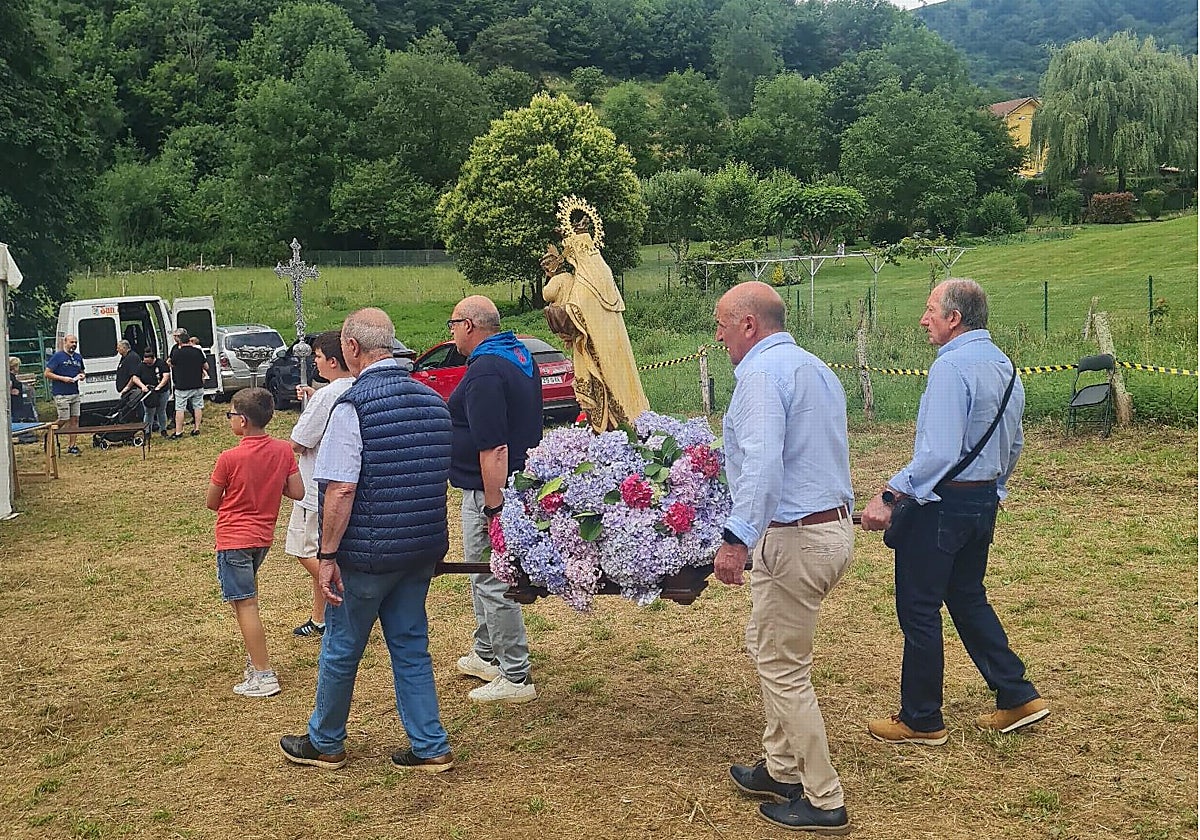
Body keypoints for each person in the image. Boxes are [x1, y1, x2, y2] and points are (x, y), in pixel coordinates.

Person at [860, 278, 1049, 744]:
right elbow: (1014, 442)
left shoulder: (949, 367)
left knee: (919, 608)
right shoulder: (1004, 365)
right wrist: (995, 489)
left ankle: (922, 718)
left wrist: (891, 494)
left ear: (954, 318)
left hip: (942, 503)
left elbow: (938, 453)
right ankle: (1017, 694)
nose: (923, 320)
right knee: (966, 596)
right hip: (982, 501)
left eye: (930, 310)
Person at [280, 307, 454, 772]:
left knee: (341, 646)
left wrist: (327, 554)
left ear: (352, 348)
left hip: (367, 555)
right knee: (411, 645)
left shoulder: (352, 407)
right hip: (420, 547)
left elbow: (340, 488)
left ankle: (325, 740)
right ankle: (430, 744)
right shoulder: (433, 401)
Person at [713, 281, 855, 835]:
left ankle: (823, 798)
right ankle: (779, 767)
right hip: (828, 529)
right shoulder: (815, 368)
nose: (719, 337)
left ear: (749, 324)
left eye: (723, 325)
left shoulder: (760, 376)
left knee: (782, 667)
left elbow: (763, 466)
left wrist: (736, 537)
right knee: (769, 647)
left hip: (795, 537)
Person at [447, 295, 541, 705]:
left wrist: (494, 507)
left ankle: (515, 674)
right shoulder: (519, 354)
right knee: (482, 572)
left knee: (491, 576)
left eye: (453, 324)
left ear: (469, 325)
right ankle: (487, 652)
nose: (451, 332)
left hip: (490, 489)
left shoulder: (485, 369)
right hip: (511, 481)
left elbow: (494, 447)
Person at [205, 387, 304, 698]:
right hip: (262, 539)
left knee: (245, 605)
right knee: (247, 601)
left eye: (231, 415)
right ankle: (256, 662)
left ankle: (263, 674)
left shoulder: (229, 458)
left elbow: (212, 502)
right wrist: (270, 483)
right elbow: (297, 491)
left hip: (234, 538)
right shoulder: (283, 450)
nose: (230, 419)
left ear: (243, 420)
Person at [540, 198, 648, 432]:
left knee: (606, 399)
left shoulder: (584, 283)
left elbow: (575, 315)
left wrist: (554, 314)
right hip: (615, 354)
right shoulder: (604, 277)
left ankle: (612, 430)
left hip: (596, 354)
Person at [286, 330, 354, 638]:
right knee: (323, 552)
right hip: (343, 486)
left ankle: (349, 601)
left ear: (332, 361)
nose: (315, 362)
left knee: (307, 552)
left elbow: (299, 441)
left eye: (318, 357)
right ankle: (320, 618)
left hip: (315, 489)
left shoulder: (327, 395)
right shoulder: (353, 386)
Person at [45, 334, 85, 455]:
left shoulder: (78, 357)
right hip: (61, 393)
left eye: (75, 342)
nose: (74, 344)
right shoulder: (58, 356)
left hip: (74, 392)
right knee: (64, 418)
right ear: (65, 342)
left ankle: (72, 446)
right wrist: (63, 378)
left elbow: (82, 371)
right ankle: (50, 432)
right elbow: (47, 373)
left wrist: (82, 376)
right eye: (71, 342)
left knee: (75, 419)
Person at [169, 328, 208, 438]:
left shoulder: (177, 353)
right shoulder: (197, 351)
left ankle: (179, 431)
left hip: (182, 385)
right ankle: (197, 429)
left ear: (180, 341)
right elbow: (206, 366)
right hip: (197, 384)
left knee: (180, 408)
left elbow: (172, 364)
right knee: (198, 407)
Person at [136, 347, 171, 437]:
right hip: (148, 392)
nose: (147, 364)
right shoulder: (141, 366)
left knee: (161, 411)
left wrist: (159, 386)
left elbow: (166, 376)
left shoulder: (161, 364)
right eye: (145, 362)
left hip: (162, 391)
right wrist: (142, 386)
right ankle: (147, 432)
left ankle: (163, 430)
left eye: (149, 363)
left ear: (153, 359)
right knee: (148, 412)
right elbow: (135, 377)